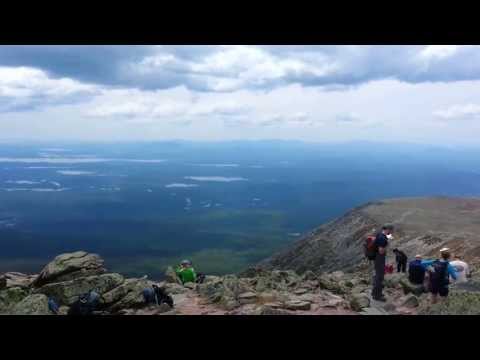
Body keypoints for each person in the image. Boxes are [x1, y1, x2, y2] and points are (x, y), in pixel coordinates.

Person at [371, 224, 394, 302]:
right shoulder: (382, 238)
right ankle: (377, 295)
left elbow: (389, 237)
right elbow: (381, 251)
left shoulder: (380, 234)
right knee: (380, 277)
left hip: (377, 258)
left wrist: (388, 239)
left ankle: (374, 293)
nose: (391, 232)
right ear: (388, 229)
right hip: (379, 258)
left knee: (378, 275)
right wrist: (387, 244)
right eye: (391, 230)